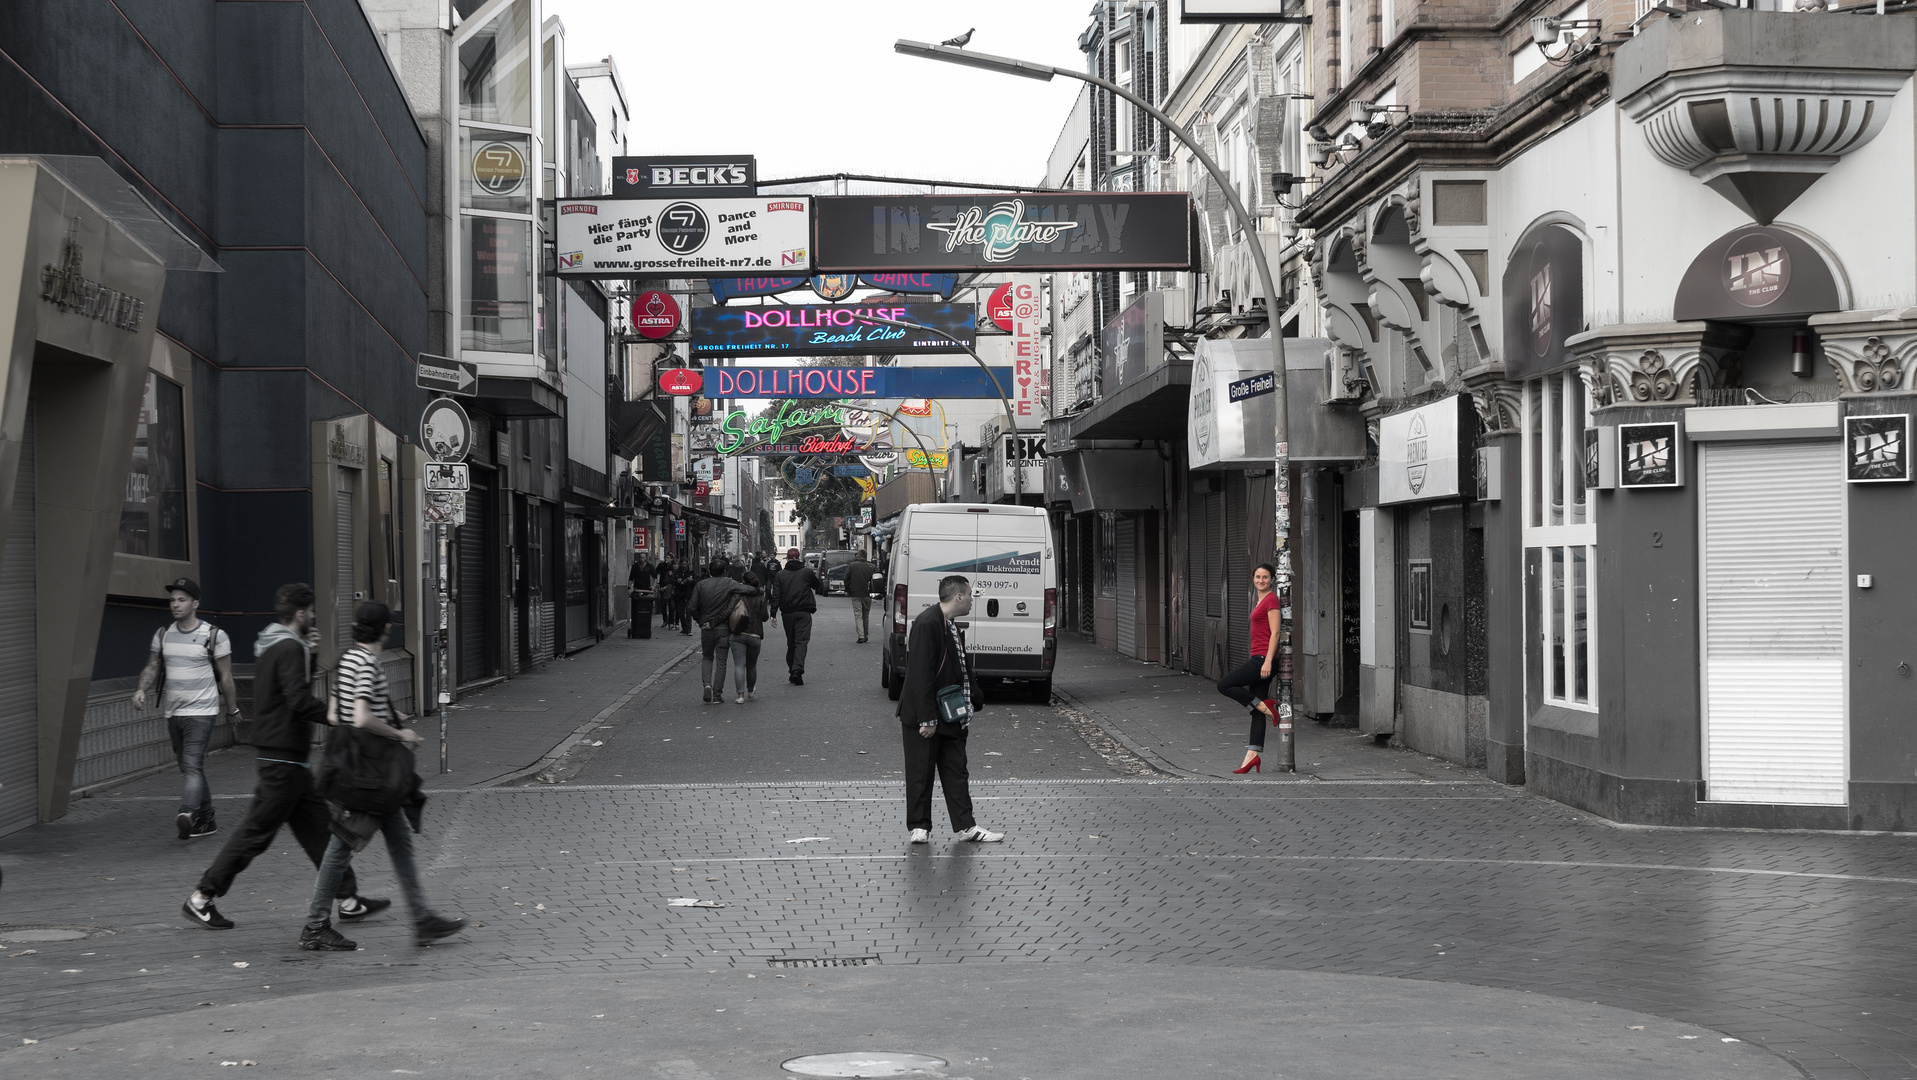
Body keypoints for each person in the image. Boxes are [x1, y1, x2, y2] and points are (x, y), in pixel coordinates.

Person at [182, 584, 387, 931]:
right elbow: (297, 698)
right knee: (255, 834)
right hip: (283, 763)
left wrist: (307, 655)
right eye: (311, 612)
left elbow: (283, 690)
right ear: (301, 613)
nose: (313, 617)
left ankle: (349, 900)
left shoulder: (274, 645)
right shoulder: (290, 647)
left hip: (287, 762)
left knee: (321, 832)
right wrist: (335, 716)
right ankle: (202, 896)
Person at [299, 601, 464, 952]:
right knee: (340, 846)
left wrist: (388, 714)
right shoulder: (368, 664)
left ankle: (422, 920)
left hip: (356, 768)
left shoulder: (346, 660)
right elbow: (360, 717)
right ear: (385, 628)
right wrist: (399, 734)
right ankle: (315, 925)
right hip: (369, 776)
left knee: (399, 842)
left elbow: (335, 712)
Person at [896, 575, 1003, 845]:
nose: (971, 600)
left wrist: (974, 697)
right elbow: (919, 673)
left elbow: (960, 667)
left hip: (951, 714)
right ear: (957, 596)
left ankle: (966, 826)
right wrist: (927, 717)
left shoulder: (948, 623)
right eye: (969, 595)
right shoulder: (927, 623)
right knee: (921, 770)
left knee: (956, 770)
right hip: (929, 715)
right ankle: (919, 827)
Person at [133, 577, 240, 840]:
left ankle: (187, 813)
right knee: (188, 766)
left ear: (195, 603)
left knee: (192, 764)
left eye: (181, 600)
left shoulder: (214, 635)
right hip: (174, 712)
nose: (175, 605)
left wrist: (232, 710)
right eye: (172, 600)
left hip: (202, 711)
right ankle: (208, 819)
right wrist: (140, 690)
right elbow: (153, 666)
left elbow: (226, 677)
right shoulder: (163, 634)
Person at [1216, 563, 1283, 774]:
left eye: (1265, 577)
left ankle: (1266, 707)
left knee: (1224, 684)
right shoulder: (1260, 599)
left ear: (1271, 579)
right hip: (1260, 657)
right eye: (1257, 577)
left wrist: (1268, 661)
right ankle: (1252, 757)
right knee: (1256, 713)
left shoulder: (1271, 599)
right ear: (1253, 579)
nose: (1261, 580)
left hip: (1263, 659)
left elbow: (1275, 633)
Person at [688, 557, 751, 703]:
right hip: (723, 628)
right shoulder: (729, 583)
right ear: (724, 571)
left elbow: (692, 607)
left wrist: (700, 620)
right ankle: (717, 694)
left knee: (707, 657)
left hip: (706, 628)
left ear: (710, 571)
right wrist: (757, 588)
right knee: (721, 661)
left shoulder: (701, 585)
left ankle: (707, 684)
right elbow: (747, 589)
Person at [769, 547, 826, 685]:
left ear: (787, 559)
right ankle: (797, 670)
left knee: (791, 642)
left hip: (788, 613)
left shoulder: (781, 575)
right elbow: (817, 585)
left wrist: (773, 614)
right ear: (799, 558)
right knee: (801, 642)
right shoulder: (806, 572)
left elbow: (776, 595)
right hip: (804, 611)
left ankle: (792, 669)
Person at [728, 571, 772, 704]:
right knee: (751, 665)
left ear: (744, 583)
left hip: (738, 633)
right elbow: (765, 617)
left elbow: (730, 610)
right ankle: (751, 690)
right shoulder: (761, 596)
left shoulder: (737, 595)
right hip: (755, 634)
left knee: (739, 665)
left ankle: (740, 695)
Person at [843, 552, 879, 644]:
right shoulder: (872, 566)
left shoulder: (852, 565)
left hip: (855, 593)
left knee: (858, 614)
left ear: (859, 556)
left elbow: (846, 578)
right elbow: (877, 579)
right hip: (867, 594)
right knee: (866, 615)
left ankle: (861, 635)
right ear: (866, 556)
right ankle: (865, 635)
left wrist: (847, 589)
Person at [627, 556, 654, 638]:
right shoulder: (635, 567)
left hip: (646, 589)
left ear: (645, 558)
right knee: (636, 610)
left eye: (643, 557)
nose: (642, 559)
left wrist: (653, 587)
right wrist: (629, 588)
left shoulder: (650, 566)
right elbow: (631, 578)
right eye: (640, 557)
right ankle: (637, 630)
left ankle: (644, 631)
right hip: (637, 589)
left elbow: (655, 577)